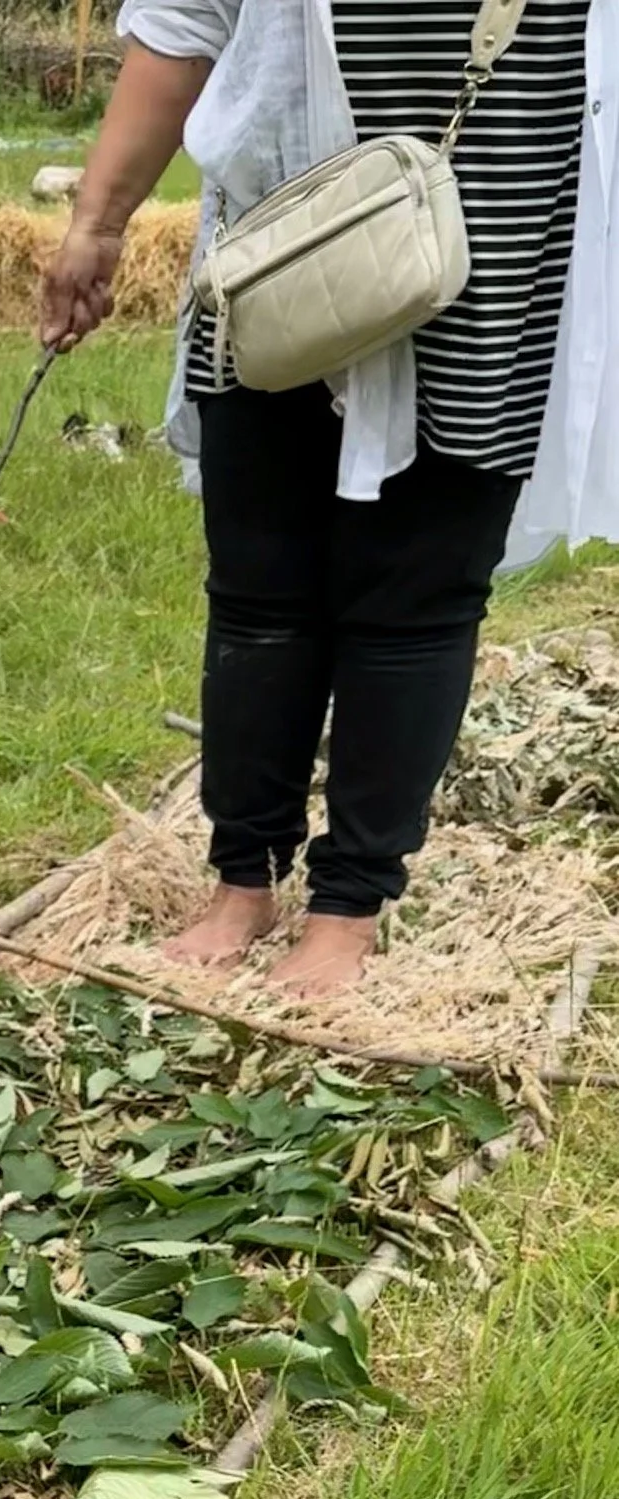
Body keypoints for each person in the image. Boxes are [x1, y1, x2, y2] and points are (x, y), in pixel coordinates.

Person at [42, 0, 617, 998]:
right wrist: (96, 224)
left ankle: (349, 905)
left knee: (418, 598)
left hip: (495, 271)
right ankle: (243, 880)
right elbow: (182, 23)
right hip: (283, 252)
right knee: (262, 595)